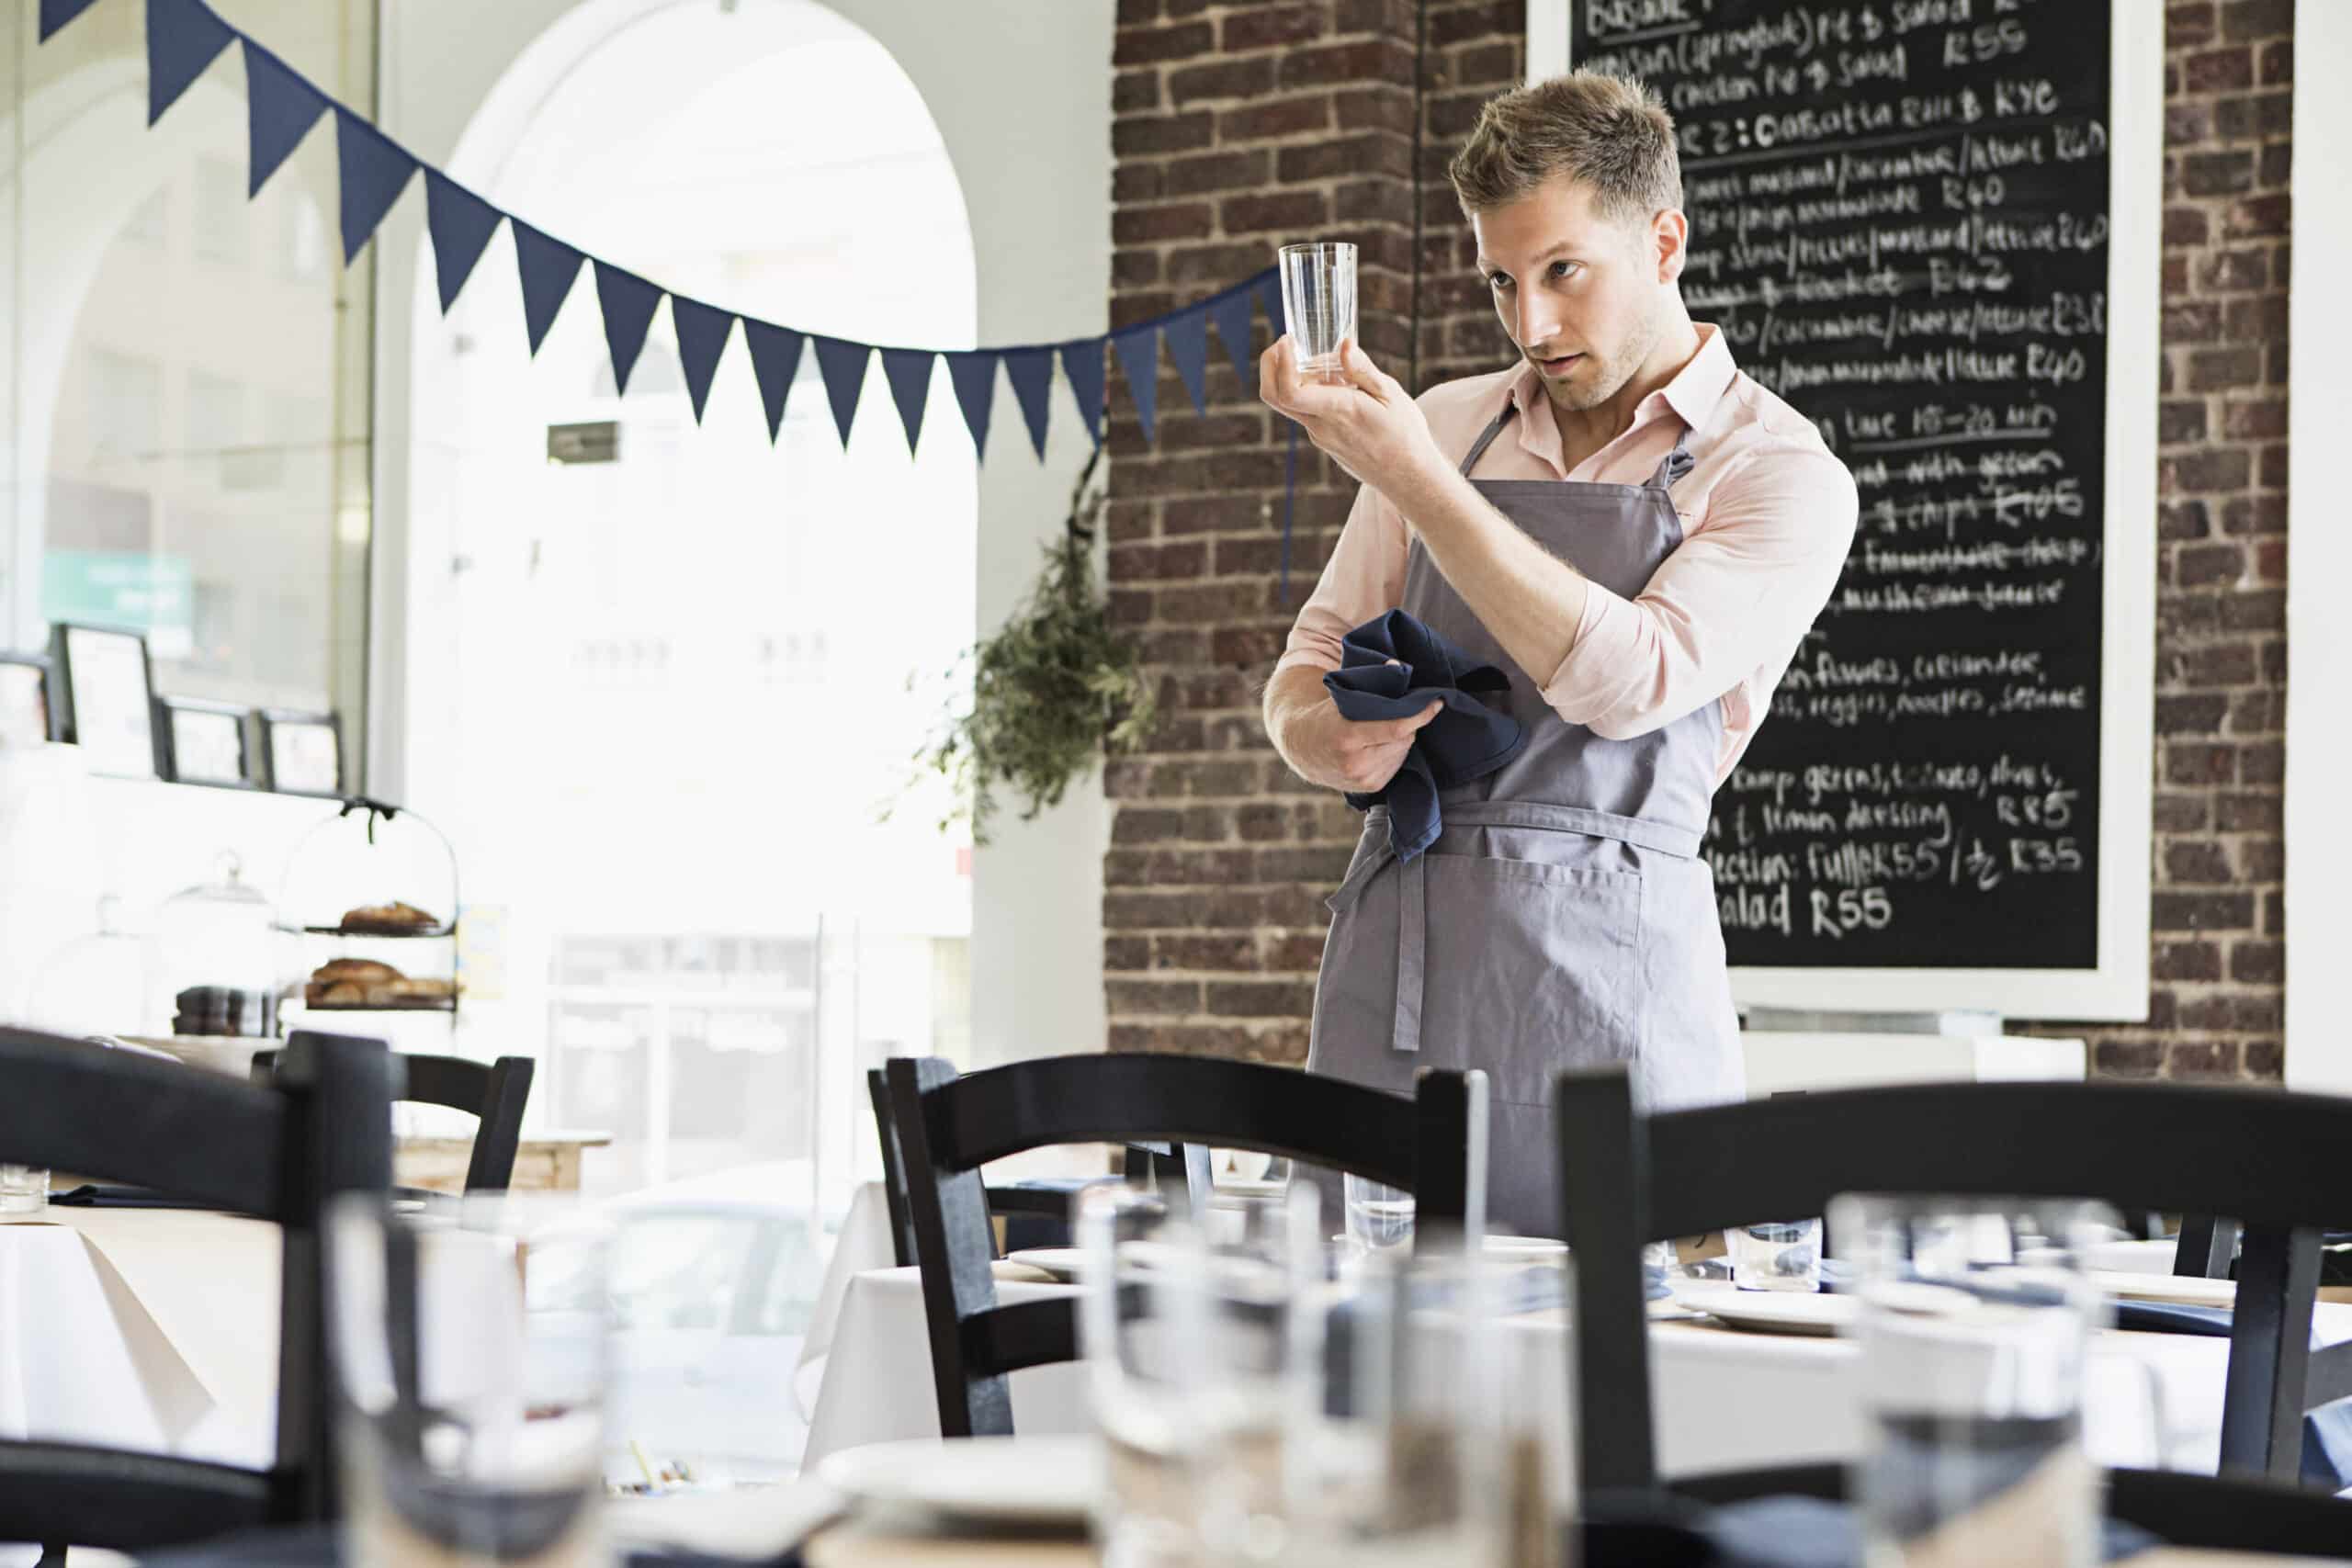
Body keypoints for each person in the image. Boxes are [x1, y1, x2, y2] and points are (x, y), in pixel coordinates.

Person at [1261, 71, 1858, 1231]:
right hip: (1403, 976)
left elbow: (1627, 682)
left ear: (1665, 240)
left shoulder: (1778, 473)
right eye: (1499, 279)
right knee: (1357, 1377)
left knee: (1627, 1378)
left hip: (1618, 991)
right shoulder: (1440, 422)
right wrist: (1323, 738)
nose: (1528, 325)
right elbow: (1308, 660)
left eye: (1562, 272)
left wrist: (1417, 484)